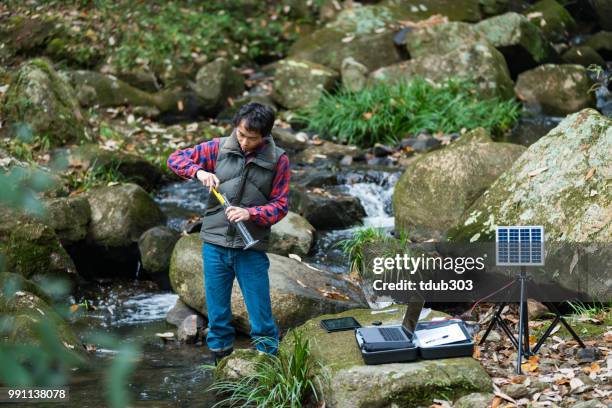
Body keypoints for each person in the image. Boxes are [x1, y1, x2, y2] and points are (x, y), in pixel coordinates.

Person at [166, 102, 290, 364]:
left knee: (261, 318)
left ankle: (268, 372)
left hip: (251, 248)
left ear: (265, 135)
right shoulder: (218, 147)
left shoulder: (279, 160)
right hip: (214, 244)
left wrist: (251, 213)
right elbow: (174, 159)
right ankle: (221, 368)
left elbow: (281, 205)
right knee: (218, 317)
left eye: (251, 138)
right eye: (240, 134)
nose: (243, 142)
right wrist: (198, 171)